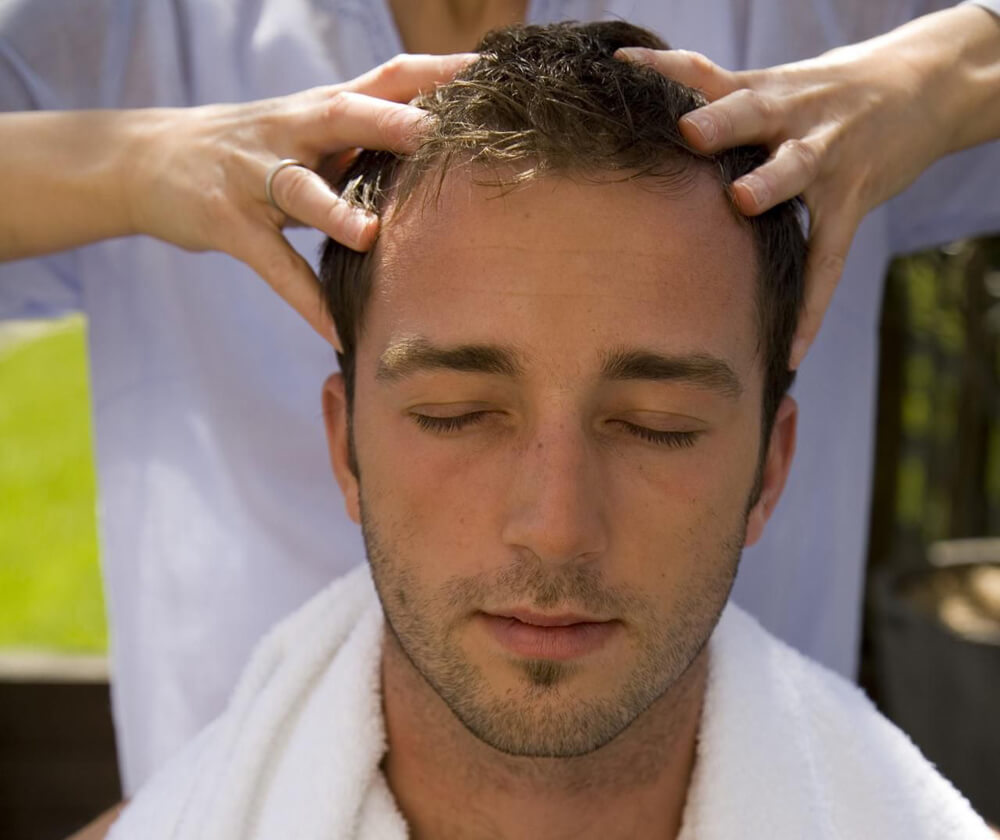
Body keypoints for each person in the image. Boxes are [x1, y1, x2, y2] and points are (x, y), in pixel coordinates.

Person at [2, 0, 999, 795]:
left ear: (769, 461)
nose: (553, 530)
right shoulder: (127, 29)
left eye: (657, 425)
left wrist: (941, 73)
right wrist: (124, 161)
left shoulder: (819, 18)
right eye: (452, 413)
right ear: (343, 441)